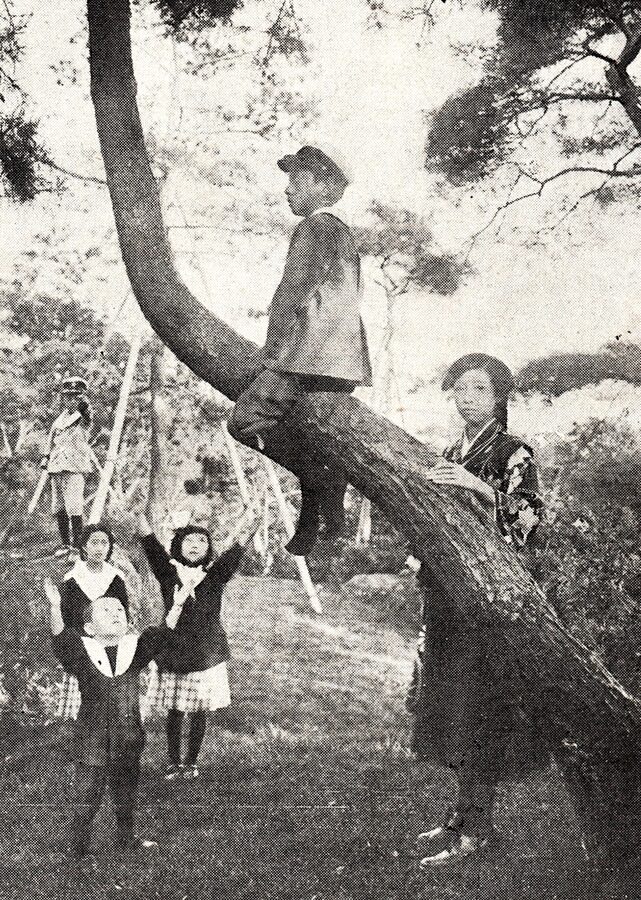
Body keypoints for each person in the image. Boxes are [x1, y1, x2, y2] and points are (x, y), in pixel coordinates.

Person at [409, 353, 546, 866]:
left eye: (479, 391)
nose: (468, 399)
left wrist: (477, 488)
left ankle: (477, 830)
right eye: (460, 390)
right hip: (447, 595)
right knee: (450, 704)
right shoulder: (451, 450)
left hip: (486, 601)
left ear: (498, 398)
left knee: (478, 709)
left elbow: (526, 524)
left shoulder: (514, 452)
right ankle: (462, 815)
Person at [228, 144, 372, 556]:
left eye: (296, 180)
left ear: (322, 186)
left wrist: (272, 351)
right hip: (340, 361)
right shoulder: (343, 234)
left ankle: (321, 481)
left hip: (305, 354)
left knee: (244, 422)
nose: (287, 190)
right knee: (307, 435)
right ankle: (317, 514)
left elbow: (292, 292)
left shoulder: (313, 227)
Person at [45, 577, 188, 857]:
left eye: (119, 611)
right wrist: (55, 607)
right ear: (89, 628)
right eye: (106, 611)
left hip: (128, 736)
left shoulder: (134, 650)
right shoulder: (82, 651)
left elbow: (161, 634)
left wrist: (177, 605)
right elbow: (60, 639)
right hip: (92, 740)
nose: (115, 614)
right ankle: (77, 849)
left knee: (126, 792)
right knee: (88, 795)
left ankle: (126, 838)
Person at [138, 498, 265, 780]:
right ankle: (173, 761)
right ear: (179, 545)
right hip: (173, 649)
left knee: (199, 709)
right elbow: (151, 545)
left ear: (208, 550)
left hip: (206, 652)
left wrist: (252, 523)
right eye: (189, 541)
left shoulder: (214, 575)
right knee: (175, 708)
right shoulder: (168, 572)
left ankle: (191, 761)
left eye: (201, 542)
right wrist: (138, 518)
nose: (195, 546)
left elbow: (236, 550)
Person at [55, 523, 129, 721]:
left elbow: (123, 616)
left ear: (109, 547)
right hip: (82, 646)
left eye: (104, 543)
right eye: (94, 543)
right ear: (84, 547)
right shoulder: (72, 580)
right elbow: (66, 618)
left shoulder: (115, 578)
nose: (99, 548)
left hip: (110, 644)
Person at [41, 376, 93, 555]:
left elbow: (87, 416)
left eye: (75, 397)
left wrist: (84, 406)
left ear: (81, 399)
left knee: (74, 507)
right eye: (68, 397)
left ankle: (78, 548)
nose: (71, 400)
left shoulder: (84, 417)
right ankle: (65, 544)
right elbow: (51, 439)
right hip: (57, 466)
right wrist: (46, 457)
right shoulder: (59, 420)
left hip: (74, 467)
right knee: (59, 507)